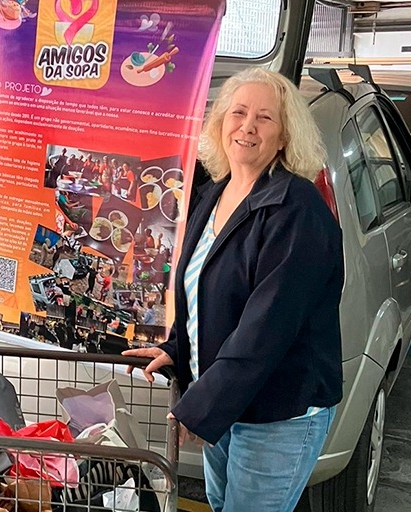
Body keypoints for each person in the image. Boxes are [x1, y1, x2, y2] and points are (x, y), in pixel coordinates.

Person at [123, 67, 343, 512]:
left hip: (277, 412)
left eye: (265, 118)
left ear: (284, 137)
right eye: (238, 113)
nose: (247, 126)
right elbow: (207, 294)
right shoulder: (215, 195)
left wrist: (201, 405)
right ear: (221, 122)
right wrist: (179, 350)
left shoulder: (296, 210)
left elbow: (267, 326)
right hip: (230, 401)